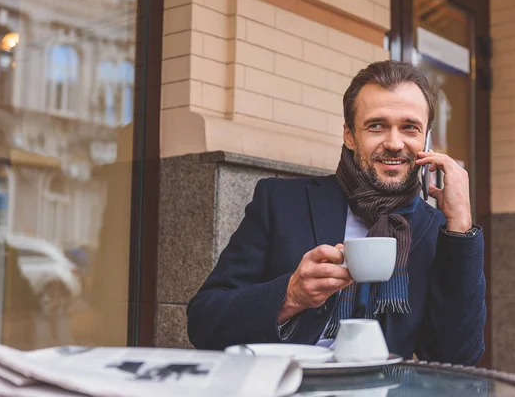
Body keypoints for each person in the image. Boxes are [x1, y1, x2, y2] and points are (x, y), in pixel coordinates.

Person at [186, 60, 486, 366]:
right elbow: (203, 322)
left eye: (409, 127)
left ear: (425, 140)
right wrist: (290, 296)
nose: (395, 143)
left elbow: (456, 356)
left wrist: (461, 225)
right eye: (376, 125)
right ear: (349, 135)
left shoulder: (438, 229)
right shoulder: (281, 201)